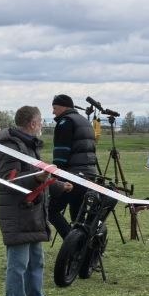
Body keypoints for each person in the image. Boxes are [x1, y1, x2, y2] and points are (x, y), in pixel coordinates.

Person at [0, 106, 66, 296]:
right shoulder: (10, 146)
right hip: (17, 213)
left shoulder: (29, 145)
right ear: (33, 123)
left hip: (34, 213)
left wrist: (59, 186)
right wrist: (39, 178)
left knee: (37, 263)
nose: (42, 125)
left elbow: (39, 177)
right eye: (40, 121)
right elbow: (9, 180)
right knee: (18, 264)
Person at [48, 94, 99, 240]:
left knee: (51, 210)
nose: (53, 112)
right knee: (78, 214)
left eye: (55, 108)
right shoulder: (84, 121)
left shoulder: (65, 122)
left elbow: (61, 153)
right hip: (88, 174)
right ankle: (83, 245)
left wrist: (56, 177)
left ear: (64, 107)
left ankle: (72, 242)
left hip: (72, 175)